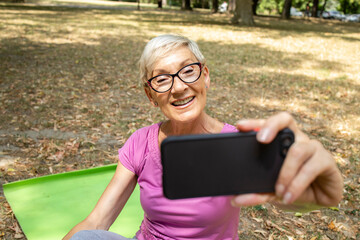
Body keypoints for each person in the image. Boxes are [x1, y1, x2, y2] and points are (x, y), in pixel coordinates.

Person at [63, 34, 343, 240]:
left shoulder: (234, 145)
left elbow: (287, 198)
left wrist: (317, 194)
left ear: (205, 76)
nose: (179, 87)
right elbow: (98, 220)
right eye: (161, 79)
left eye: (188, 71)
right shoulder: (140, 142)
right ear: (150, 95)